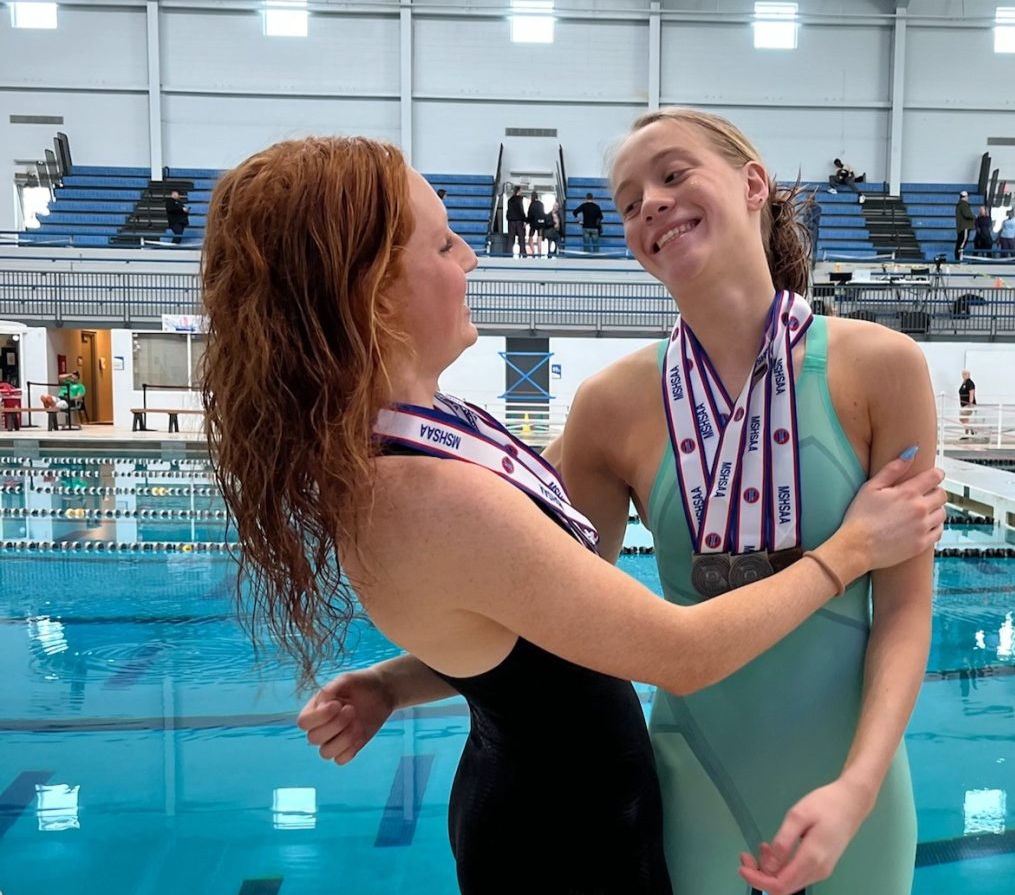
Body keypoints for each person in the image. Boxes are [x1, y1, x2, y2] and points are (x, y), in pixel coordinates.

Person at [203, 136, 944, 895]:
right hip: (574, 837)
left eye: (676, 172)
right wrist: (850, 549)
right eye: (443, 242)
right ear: (372, 289)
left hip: (595, 812)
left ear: (753, 184)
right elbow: (673, 651)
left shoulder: (429, 441)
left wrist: (394, 683)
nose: (471, 259)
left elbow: (533, 617)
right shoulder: (433, 487)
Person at [505, 185, 527, 256]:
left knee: (511, 238)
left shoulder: (510, 200)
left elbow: (508, 211)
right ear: (519, 191)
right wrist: (524, 219)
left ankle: (509, 253)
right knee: (521, 238)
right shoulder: (520, 199)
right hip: (519, 221)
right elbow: (521, 210)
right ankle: (523, 253)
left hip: (511, 221)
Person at [954, 190, 973, 260]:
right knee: (962, 243)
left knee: (960, 242)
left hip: (960, 227)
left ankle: (958, 258)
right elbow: (967, 214)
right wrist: (974, 216)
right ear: (965, 197)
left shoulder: (959, 205)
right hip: (964, 227)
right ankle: (959, 258)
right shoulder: (964, 204)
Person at [526, 191, 546, 256]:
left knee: (530, 238)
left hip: (533, 223)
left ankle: (533, 252)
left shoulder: (532, 204)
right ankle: (539, 252)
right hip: (541, 223)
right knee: (539, 238)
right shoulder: (541, 204)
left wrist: (527, 222)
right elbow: (543, 213)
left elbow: (530, 214)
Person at [959, 368, 976, 439]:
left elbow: (971, 392)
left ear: (969, 375)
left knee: (962, 417)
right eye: (963, 374)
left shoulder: (970, 383)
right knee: (965, 419)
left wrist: (970, 403)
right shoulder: (964, 383)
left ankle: (970, 430)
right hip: (963, 404)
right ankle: (968, 432)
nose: (963, 375)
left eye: (965, 374)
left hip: (968, 404)